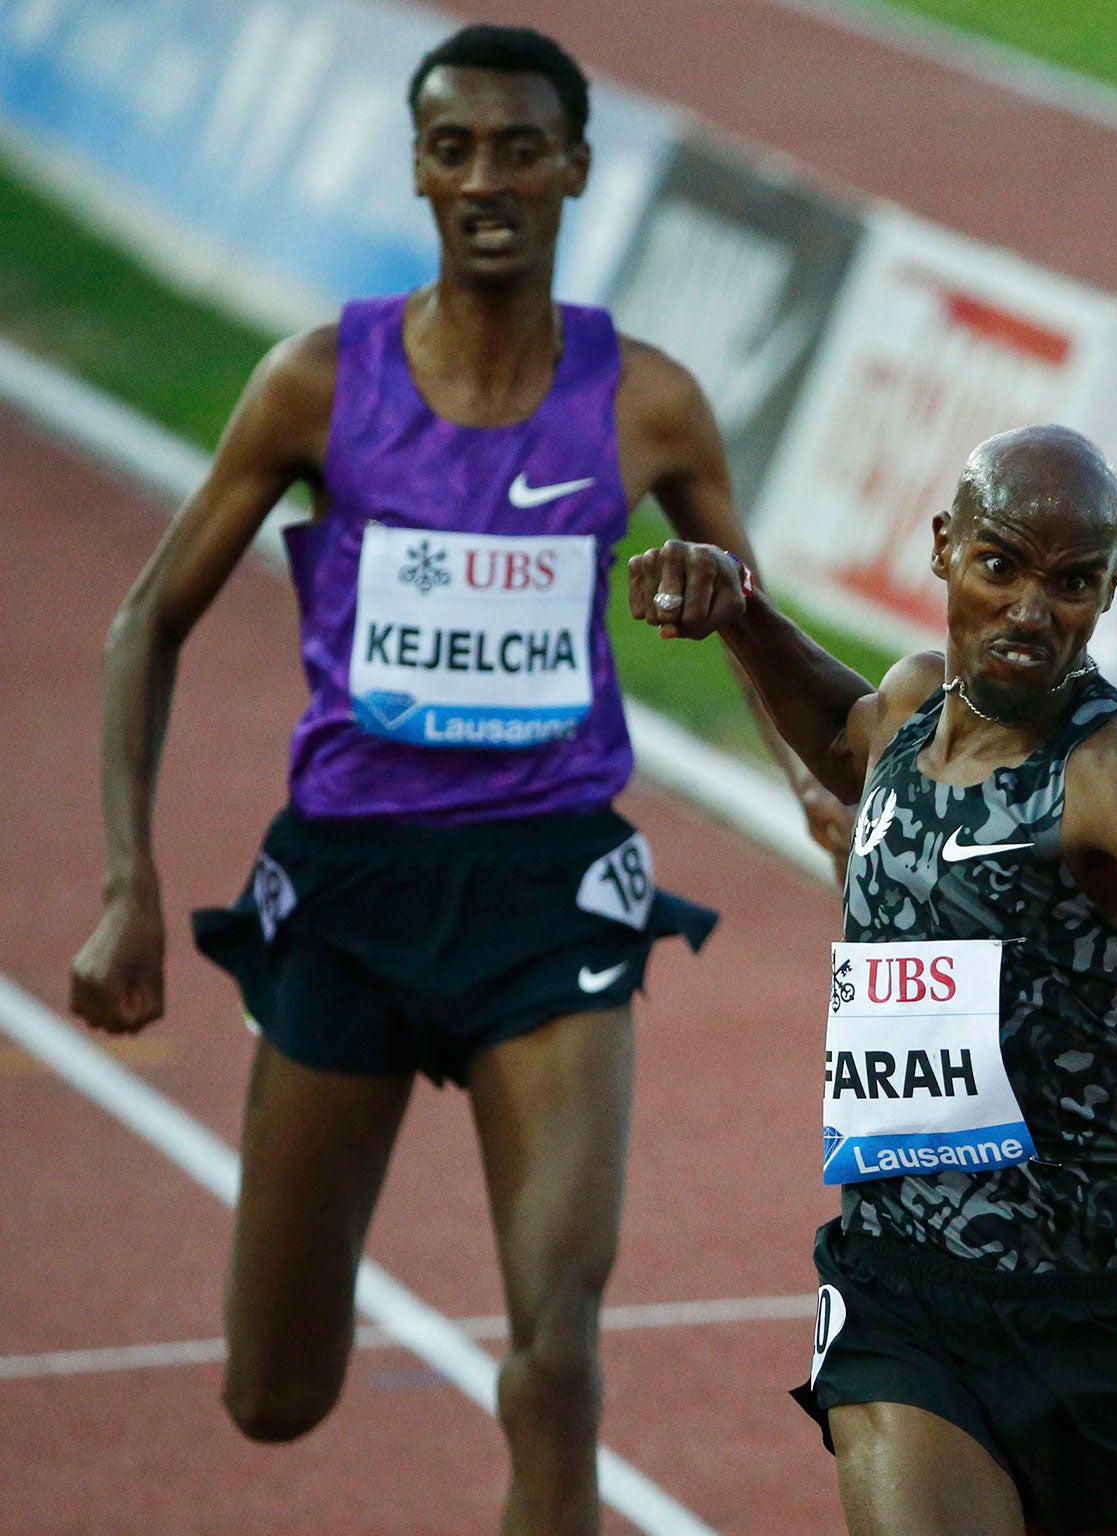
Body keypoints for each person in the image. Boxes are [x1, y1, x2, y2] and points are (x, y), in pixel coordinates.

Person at [67, 25, 831, 1536]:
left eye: (521, 148)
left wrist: (805, 775)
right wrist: (127, 886)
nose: (488, 178)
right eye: (454, 147)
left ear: (577, 172)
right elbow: (148, 618)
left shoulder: (649, 404)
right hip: (345, 889)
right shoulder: (314, 386)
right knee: (272, 1393)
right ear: (418, 167)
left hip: (551, 893)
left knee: (556, 1350)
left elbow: (750, 614)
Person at [626, 425, 1117, 1535]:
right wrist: (743, 617)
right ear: (944, 549)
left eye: (1072, 581)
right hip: (906, 1291)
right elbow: (850, 747)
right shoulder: (906, 708)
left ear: (1112, 586)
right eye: (999, 565)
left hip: (1104, 1312)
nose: (1032, 609)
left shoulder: (1115, 779)